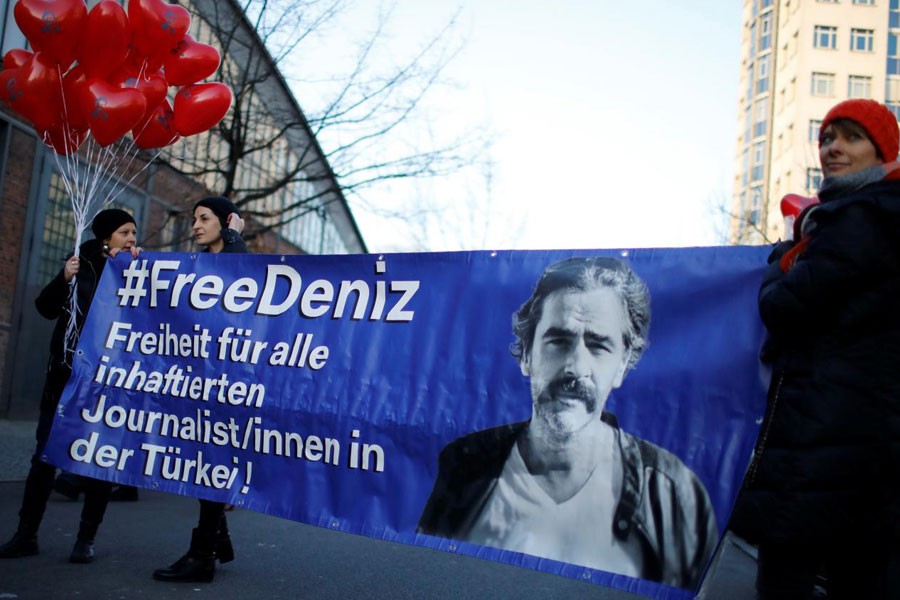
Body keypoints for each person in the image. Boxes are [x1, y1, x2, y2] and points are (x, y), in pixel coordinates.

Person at [417, 256, 718, 589]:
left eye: (598, 345)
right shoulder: (464, 467)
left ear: (621, 367)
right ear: (527, 355)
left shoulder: (673, 496)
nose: (576, 366)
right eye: (558, 341)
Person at [736, 99, 899, 599]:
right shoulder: (872, 218)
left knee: (788, 571)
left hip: (824, 435)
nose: (832, 149)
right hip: (868, 442)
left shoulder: (859, 220)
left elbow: (786, 306)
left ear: (882, 152)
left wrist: (778, 262)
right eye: (827, 138)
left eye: (851, 138)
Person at [0, 208, 141, 563]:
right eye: (125, 232)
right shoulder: (81, 266)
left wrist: (139, 274)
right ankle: (25, 534)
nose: (131, 239)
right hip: (65, 380)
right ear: (107, 237)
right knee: (43, 459)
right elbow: (45, 308)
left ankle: (85, 539)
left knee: (97, 462)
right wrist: (64, 276)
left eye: (134, 233)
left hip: (106, 385)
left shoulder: (139, 273)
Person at [152, 196, 247, 583]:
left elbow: (239, 285)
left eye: (203, 219)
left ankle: (202, 555)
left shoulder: (239, 258)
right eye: (194, 219)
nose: (194, 226)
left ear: (225, 223)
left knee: (212, 468)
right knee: (204, 468)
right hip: (198, 382)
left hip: (228, 385)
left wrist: (235, 238)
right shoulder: (197, 266)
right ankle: (213, 545)